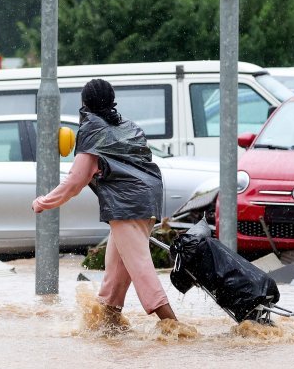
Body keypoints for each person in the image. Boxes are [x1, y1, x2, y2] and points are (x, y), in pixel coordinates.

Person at [33, 79, 193, 335]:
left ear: (84, 104)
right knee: (116, 269)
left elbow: (75, 181)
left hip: (126, 206)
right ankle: (108, 323)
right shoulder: (128, 126)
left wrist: (43, 202)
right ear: (111, 101)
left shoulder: (91, 132)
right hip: (148, 199)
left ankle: (174, 326)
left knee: (140, 267)